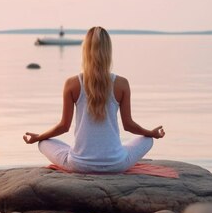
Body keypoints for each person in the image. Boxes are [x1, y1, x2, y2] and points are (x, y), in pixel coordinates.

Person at [23, 26, 165, 173]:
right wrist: (151, 133)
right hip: (116, 164)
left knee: (43, 143)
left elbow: (63, 126)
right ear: (108, 51)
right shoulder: (122, 83)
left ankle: (82, 153)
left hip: (79, 165)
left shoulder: (72, 83)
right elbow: (128, 126)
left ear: (85, 50)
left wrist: (38, 137)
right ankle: (113, 151)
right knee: (148, 140)